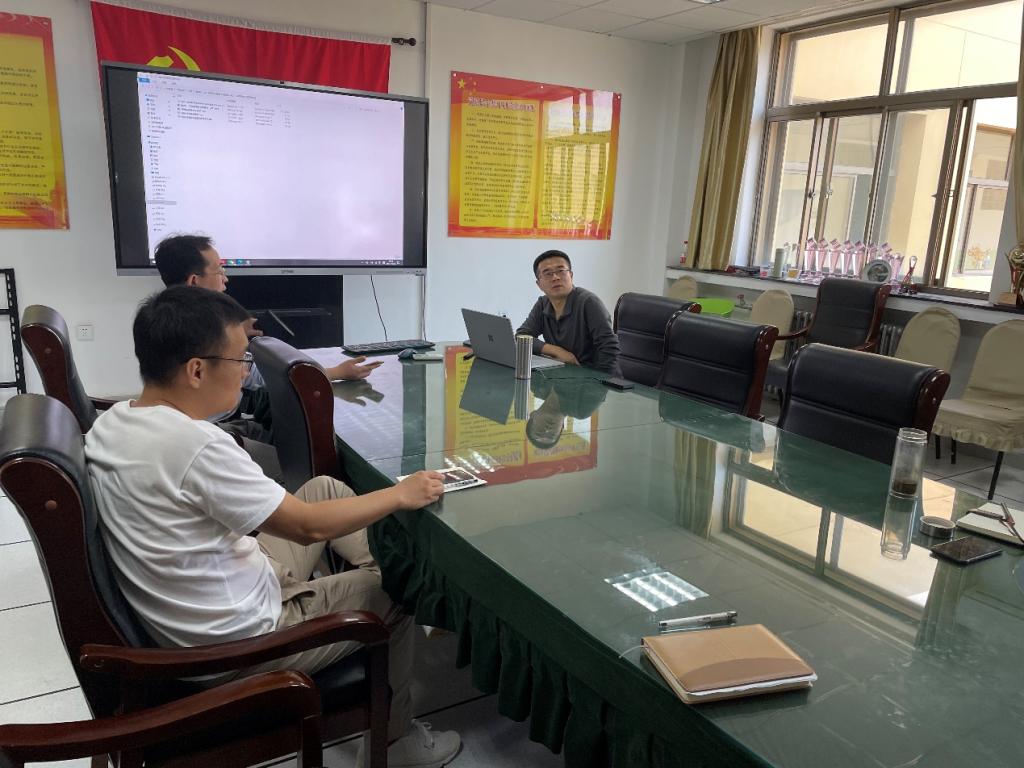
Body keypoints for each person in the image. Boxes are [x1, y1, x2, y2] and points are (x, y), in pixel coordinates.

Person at [84, 286, 461, 767]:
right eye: (240, 360)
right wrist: (401, 493)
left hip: (221, 593)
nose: (246, 372)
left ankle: (386, 595)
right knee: (394, 586)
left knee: (324, 488)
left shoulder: (115, 421)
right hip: (240, 643)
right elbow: (305, 528)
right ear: (196, 370)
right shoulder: (194, 445)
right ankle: (396, 741)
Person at [153, 234, 380, 384]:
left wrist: (235, 334)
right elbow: (258, 378)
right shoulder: (205, 330)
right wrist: (337, 372)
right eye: (219, 272)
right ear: (194, 281)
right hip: (221, 426)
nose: (226, 279)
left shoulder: (161, 315)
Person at [516, 250, 620, 374]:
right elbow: (521, 337)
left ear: (571, 275)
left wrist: (599, 381)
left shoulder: (588, 302)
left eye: (561, 271)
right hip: (564, 374)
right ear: (539, 284)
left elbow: (609, 347)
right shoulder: (543, 303)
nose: (555, 277)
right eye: (548, 273)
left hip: (593, 376)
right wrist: (557, 351)